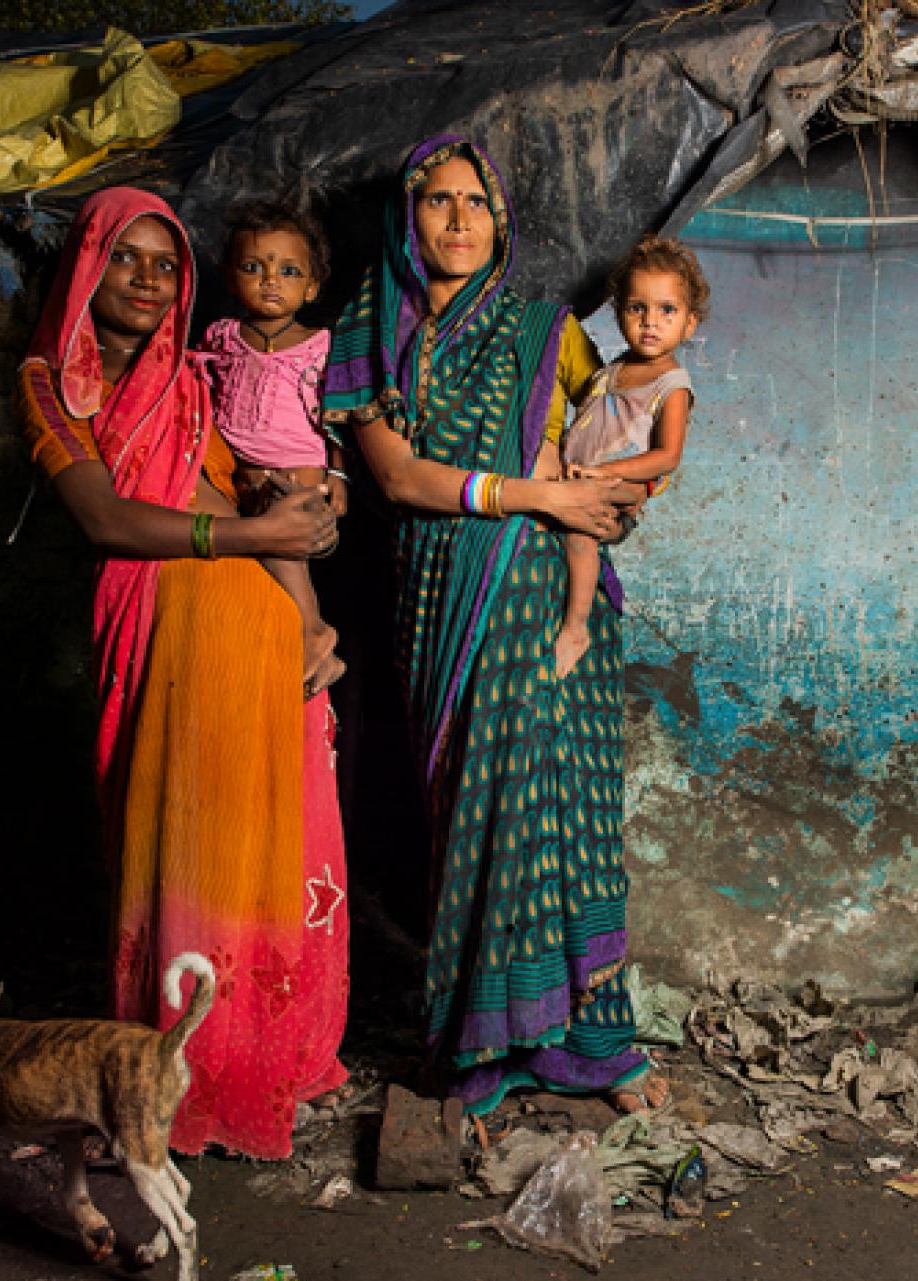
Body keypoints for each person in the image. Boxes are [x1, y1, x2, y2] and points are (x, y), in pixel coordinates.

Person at [325, 135, 665, 1122]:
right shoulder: (373, 328)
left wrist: (600, 503)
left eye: (478, 203)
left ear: (503, 221)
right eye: (439, 201)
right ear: (408, 218)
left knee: (561, 814)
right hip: (442, 595)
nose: (461, 219)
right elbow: (394, 477)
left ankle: (591, 1042)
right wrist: (535, 497)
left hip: (550, 605)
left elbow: (604, 441)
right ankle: (483, 1044)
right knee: (475, 811)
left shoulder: (543, 331)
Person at [15, 187, 351, 1159]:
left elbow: (253, 473)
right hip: (158, 635)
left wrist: (306, 511)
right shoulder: (51, 382)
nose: (151, 281)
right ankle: (180, 1071)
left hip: (258, 643)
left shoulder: (190, 378)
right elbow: (105, 519)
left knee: (270, 844)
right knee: (180, 846)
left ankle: (263, 1053)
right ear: (88, 264)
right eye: (129, 258)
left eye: (167, 264)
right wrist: (255, 530)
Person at [200, 200, 347, 697]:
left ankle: (315, 632)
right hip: (240, 470)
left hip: (299, 467)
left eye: (288, 271)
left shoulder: (319, 346)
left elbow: (340, 418)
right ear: (228, 275)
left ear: (310, 287)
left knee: (283, 547)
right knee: (258, 569)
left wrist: (340, 478)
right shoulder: (221, 337)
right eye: (253, 267)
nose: (270, 280)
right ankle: (296, 642)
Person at [554, 236, 704, 678]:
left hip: (620, 478)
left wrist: (606, 475)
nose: (650, 322)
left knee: (579, 529)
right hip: (588, 472)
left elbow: (667, 456)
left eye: (667, 311)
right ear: (619, 311)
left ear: (689, 324)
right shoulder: (614, 368)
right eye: (637, 308)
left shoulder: (672, 384)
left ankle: (575, 628)